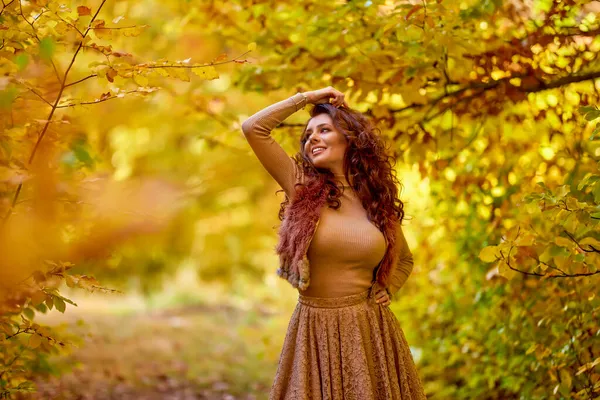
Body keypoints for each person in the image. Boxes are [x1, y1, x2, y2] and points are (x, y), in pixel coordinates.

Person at [241, 86, 427, 399]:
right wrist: (307, 98)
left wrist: (388, 287)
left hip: (371, 332)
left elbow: (405, 260)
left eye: (324, 130)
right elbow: (253, 128)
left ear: (351, 139)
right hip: (315, 330)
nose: (312, 138)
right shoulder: (301, 187)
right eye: (308, 135)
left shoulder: (376, 200)